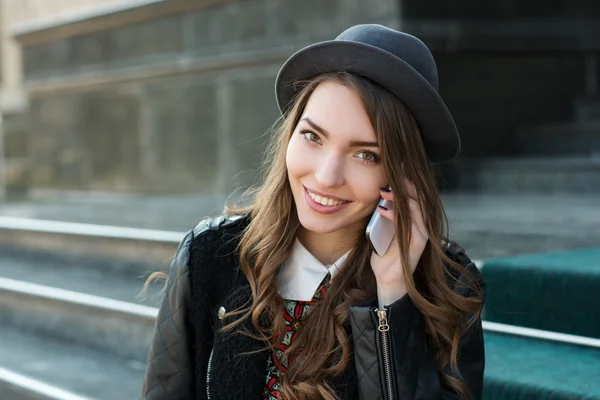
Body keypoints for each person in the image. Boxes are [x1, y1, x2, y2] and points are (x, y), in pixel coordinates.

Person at [140, 24, 485, 400]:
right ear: (290, 134)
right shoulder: (209, 256)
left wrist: (393, 301)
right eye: (313, 136)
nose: (325, 176)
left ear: (402, 175)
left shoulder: (448, 285)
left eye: (366, 155)